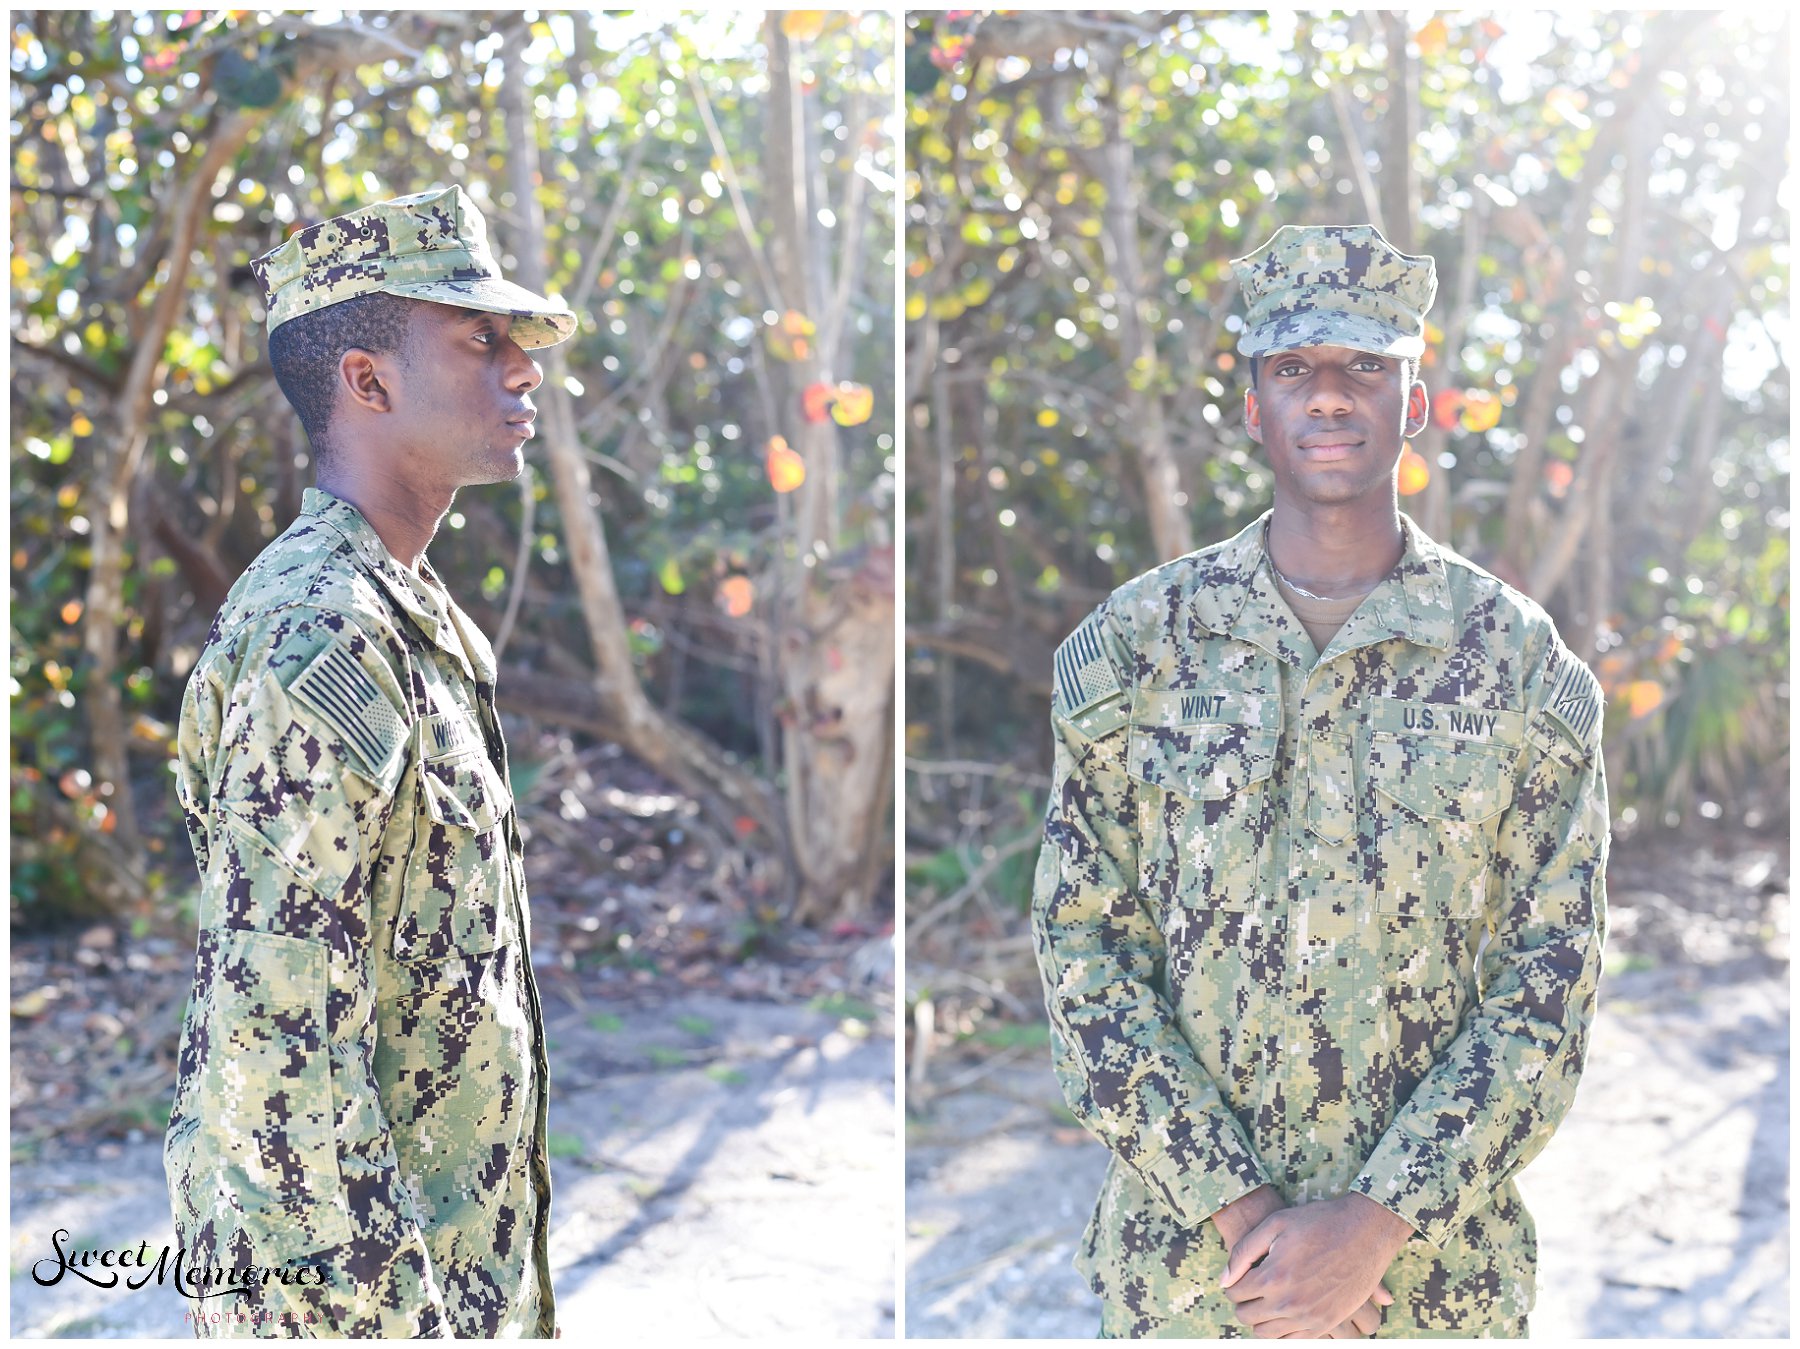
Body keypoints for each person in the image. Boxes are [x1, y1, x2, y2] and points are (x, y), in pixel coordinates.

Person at [1031, 223, 1608, 1338]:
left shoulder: (1516, 660)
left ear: (1415, 403)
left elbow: (1554, 978)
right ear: (1254, 409)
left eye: (1364, 369)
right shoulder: (1140, 644)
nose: (1329, 397)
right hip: (1195, 1279)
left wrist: (1376, 1223)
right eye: (1293, 369)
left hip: (1432, 1283)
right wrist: (1249, 1219)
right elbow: (1082, 950)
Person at [162, 184, 576, 1338]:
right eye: (479, 338)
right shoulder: (322, 628)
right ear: (366, 379)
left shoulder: (406, 608)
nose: (522, 368)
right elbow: (272, 1028)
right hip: (354, 1296)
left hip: (446, 1260)